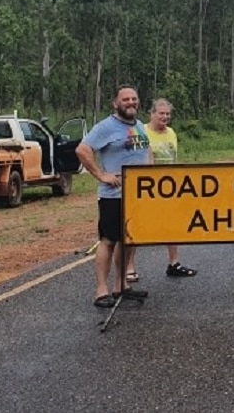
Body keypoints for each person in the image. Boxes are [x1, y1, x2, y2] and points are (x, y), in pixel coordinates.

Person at [75, 84, 151, 308]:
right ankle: (102, 291)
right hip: (113, 196)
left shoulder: (138, 125)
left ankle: (121, 286)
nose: (131, 103)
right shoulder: (106, 127)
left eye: (134, 99)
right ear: (116, 103)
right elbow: (82, 149)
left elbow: (147, 152)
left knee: (128, 240)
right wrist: (101, 175)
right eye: (125, 99)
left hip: (137, 196)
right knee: (109, 241)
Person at [124, 98, 197, 282]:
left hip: (170, 188)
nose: (165, 117)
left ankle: (174, 263)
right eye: (161, 113)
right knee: (136, 227)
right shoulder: (141, 131)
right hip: (147, 187)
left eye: (168, 114)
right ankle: (129, 267)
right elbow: (134, 158)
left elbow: (174, 159)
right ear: (152, 114)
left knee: (171, 226)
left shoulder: (171, 132)